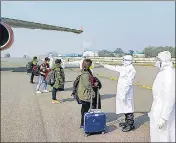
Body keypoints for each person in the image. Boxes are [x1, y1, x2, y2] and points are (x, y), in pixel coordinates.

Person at [101, 55, 136, 132]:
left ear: (128, 60)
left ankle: (130, 125)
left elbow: (129, 83)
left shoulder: (131, 70)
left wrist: (124, 94)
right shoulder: (124, 67)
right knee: (124, 107)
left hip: (126, 93)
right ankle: (127, 122)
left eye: (124, 60)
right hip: (122, 91)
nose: (123, 61)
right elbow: (115, 68)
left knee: (128, 107)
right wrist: (104, 65)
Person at [148, 51, 175, 142]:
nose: (156, 62)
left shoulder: (169, 74)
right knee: (157, 136)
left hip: (163, 112)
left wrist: (164, 117)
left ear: (164, 61)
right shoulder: (163, 72)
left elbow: (170, 97)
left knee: (164, 136)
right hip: (158, 109)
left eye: (158, 60)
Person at [77, 59, 100, 128]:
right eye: (91, 64)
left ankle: (83, 123)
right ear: (88, 65)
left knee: (84, 108)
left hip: (83, 93)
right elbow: (87, 85)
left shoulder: (86, 72)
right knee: (85, 109)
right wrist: (92, 92)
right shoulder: (85, 74)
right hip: (85, 94)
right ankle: (83, 124)